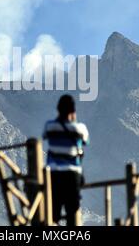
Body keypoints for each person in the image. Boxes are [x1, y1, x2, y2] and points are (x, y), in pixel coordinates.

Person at [42, 94, 89, 226]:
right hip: (71, 176)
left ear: (58, 110)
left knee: (53, 213)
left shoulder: (49, 126)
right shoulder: (80, 128)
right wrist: (74, 121)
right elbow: (85, 141)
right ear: (73, 111)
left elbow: (45, 136)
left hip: (53, 176)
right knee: (72, 213)